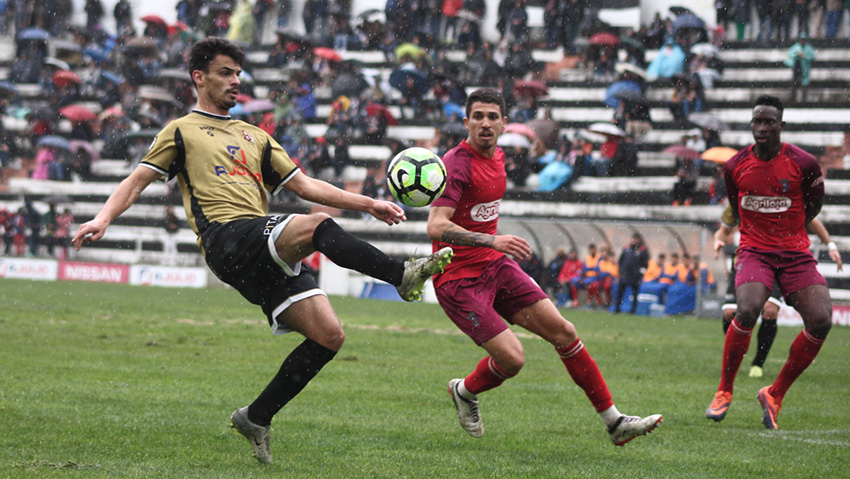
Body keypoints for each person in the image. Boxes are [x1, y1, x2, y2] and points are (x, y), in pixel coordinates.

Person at [72, 37, 454, 464]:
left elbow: (306, 187)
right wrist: (103, 218)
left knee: (328, 337)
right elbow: (137, 180)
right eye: (224, 73)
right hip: (226, 236)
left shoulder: (256, 135)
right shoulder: (180, 131)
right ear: (199, 77)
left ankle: (256, 416)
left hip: (257, 248)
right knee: (318, 225)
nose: (236, 81)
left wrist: (370, 203)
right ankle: (400, 275)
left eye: (238, 73)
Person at [425, 87, 661, 446]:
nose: (485, 123)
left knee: (564, 332)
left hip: (494, 265)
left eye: (492, 117)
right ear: (466, 122)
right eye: (478, 116)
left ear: (505, 123)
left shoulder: (500, 157)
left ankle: (614, 422)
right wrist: (491, 240)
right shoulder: (456, 164)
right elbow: (436, 225)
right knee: (513, 360)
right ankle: (465, 391)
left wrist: (492, 245)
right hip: (458, 278)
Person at [705, 95, 832, 430]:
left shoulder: (803, 163)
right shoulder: (734, 166)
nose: (761, 128)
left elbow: (813, 207)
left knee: (821, 321)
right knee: (746, 311)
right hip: (755, 252)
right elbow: (737, 206)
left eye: (769, 122)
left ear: (781, 125)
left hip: (795, 254)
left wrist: (790, 231)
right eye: (756, 121)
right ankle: (724, 390)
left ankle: (774, 393)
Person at [714, 204, 843, 379]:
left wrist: (831, 245)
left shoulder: (787, 194)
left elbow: (812, 219)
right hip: (748, 262)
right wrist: (719, 239)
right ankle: (735, 357)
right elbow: (724, 228)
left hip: (781, 263)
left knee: (770, 311)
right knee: (730, 313)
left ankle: (758, 362)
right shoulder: (743, 190)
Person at [615, 233, 649, 314]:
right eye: (633, 239)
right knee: (620, 293)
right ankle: (617, 309)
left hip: (635, 276)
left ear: (639, 240)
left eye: (636, 239)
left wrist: (640, 273)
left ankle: (633, 311)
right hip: (624, 275)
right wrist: (621, 270)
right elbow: (621, 260)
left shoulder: (642, 250)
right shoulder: (626, 248)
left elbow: (645, 264)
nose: (634, 241)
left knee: (634, 294)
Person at [784, 33, 815, 103]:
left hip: (805, 68)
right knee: (794, 82)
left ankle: (804, 98)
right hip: (797, 67)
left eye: (804, 40)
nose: (802, 41)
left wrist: (805, 57)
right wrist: (797, 54)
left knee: (804, 83)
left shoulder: (808, 48)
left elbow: (812, 56)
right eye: (801, 40)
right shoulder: (796, 47)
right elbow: (790, 53)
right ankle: (793, 97)